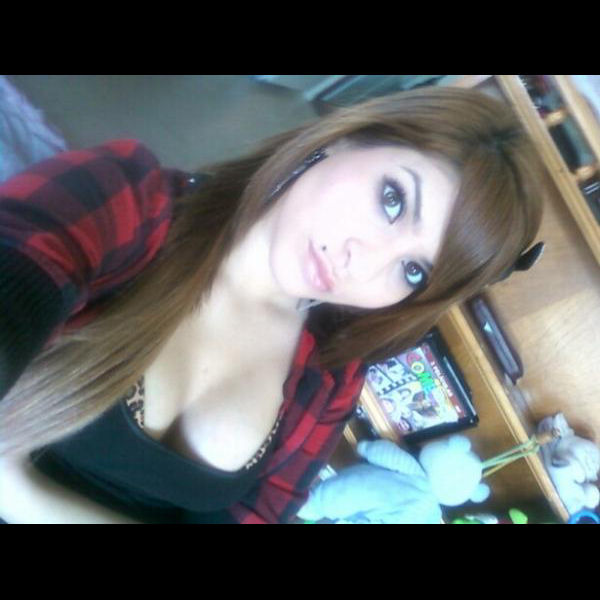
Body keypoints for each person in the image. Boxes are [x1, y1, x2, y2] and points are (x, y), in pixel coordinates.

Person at [0, 86, 547, 524]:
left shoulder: (330, 379)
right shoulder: (130, 201)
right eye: (392, 200)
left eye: (413, 271)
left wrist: (22, 493)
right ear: (349, 139)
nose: (362, 261)